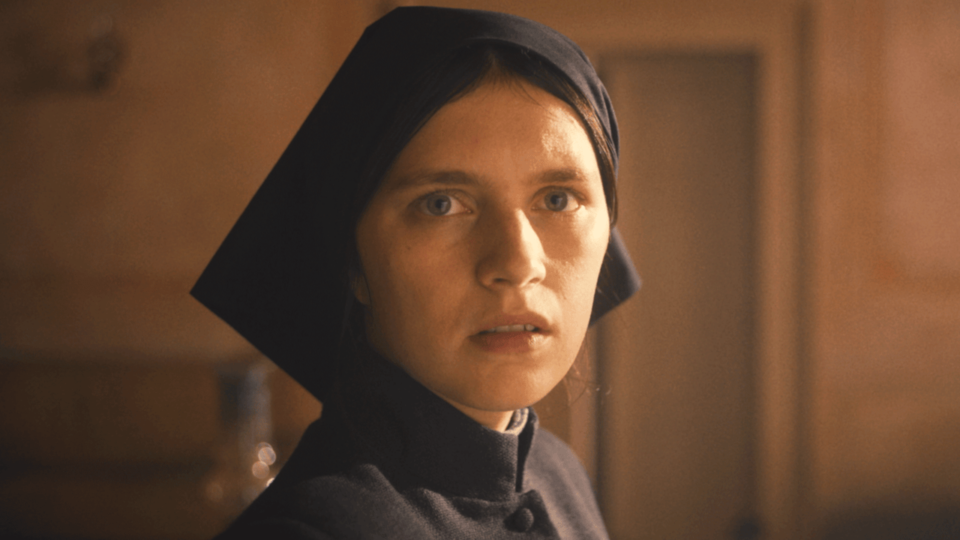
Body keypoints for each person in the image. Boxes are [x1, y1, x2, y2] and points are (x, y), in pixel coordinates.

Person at [192, 6, 640, 539]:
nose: (518, 263)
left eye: (558, 198)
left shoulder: (560, 472)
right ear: (352, 260)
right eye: (441, 204)